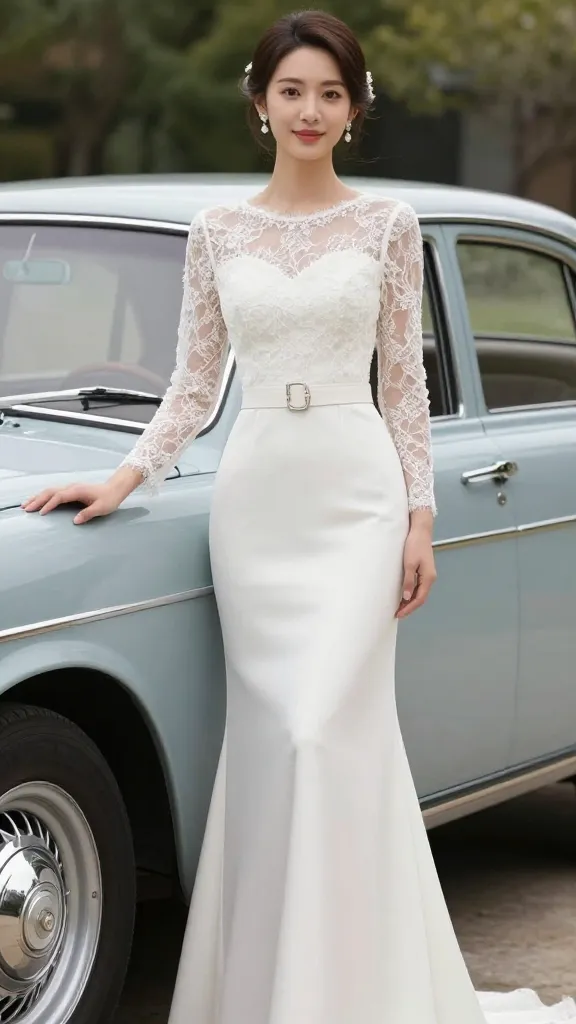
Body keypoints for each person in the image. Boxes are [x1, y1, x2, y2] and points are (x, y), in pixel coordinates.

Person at [22, 10, 576, 1024]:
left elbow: (404, 385)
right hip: (257, 499)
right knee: (275, 741)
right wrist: (122, 479)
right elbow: (193, 386)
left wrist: (420, 519)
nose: (310, 110)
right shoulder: (218, 231)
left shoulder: (387, 226)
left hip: (356, 495)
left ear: (354, 109)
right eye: (292, 92)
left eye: (329, 93)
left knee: (327, 733)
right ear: (261, 102)